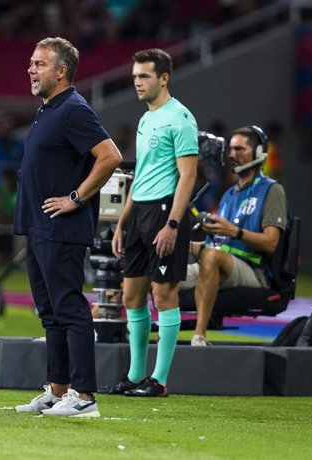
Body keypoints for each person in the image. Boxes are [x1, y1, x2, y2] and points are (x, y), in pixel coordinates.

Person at [13, 37, 122, 418]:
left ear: (61, 72)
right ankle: (58, 390)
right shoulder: (49, 109)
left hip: (62, 228)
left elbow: (110, 156)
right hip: (39, 227)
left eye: (39, 64)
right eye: (31, 62)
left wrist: (75, 198)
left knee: (70, 309)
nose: (31, 69)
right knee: (50, 312)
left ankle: (85, 396)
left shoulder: (74, 108)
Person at [100, 48, 198, 397]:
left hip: (164, 211)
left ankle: (159, 381)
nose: (137, 83)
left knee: (164, 292)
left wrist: (172, 224)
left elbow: (187, 176)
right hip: (140, 210)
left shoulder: (180, 118)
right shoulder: (145, 119)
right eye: (135, 77)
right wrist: (123, 222)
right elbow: (140, 174)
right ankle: (135, 376)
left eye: (144, 77)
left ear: (163, 78)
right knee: (131, 297)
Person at [183, 125, 288, 346]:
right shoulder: (229, 194)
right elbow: (216, 245)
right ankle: (160, 338)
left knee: (211, 257)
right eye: (230, 149)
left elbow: (271, 243)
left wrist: (234, 231)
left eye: (240, 149)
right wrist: (179, 245)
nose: (232, 155)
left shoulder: (271, 190)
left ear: (259, 154)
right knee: (165, 269)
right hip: (221, 260)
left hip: (253, 269)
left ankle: (199, 335)